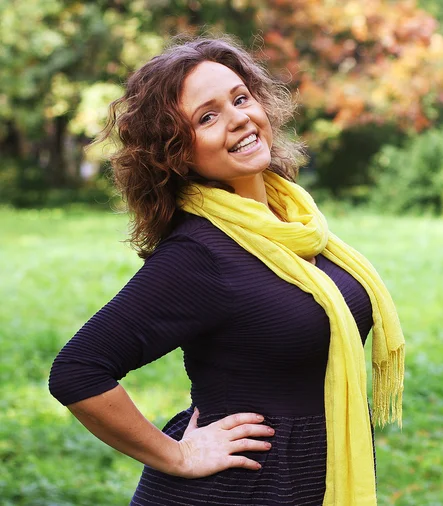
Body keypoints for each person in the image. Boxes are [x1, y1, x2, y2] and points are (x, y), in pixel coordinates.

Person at [49, 35, 405, 506]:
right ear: (176, 150)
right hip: (238, 491)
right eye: (208, 116)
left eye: (240, 98)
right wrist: (177, 456)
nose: (238, 117)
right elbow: (78, 371)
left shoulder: (295, 225)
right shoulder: (201, 253)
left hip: (307, 481)